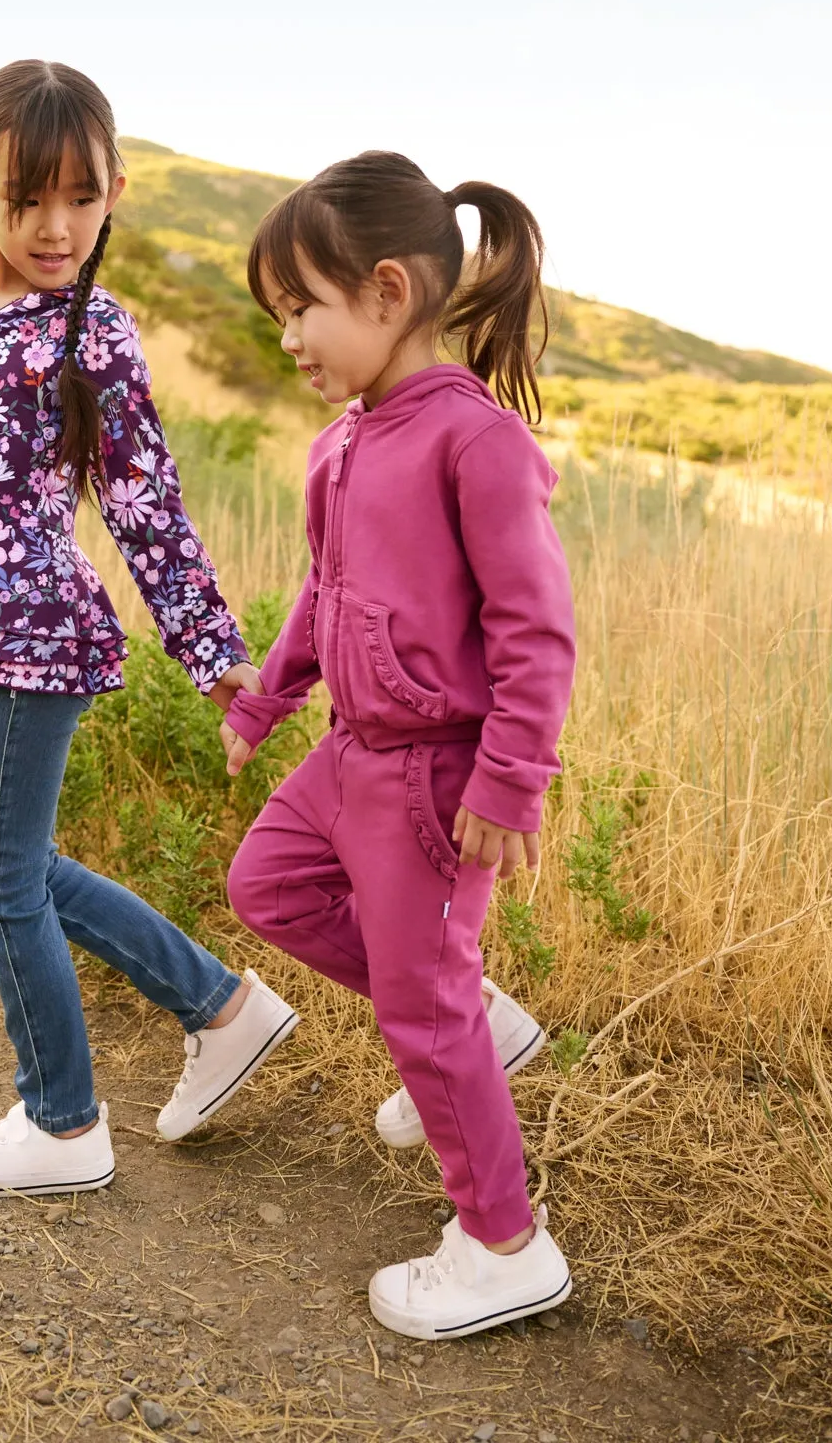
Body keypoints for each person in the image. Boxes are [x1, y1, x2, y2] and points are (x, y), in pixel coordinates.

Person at [0, 60, 299, 1199]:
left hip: (38, 639)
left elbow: (146, 507)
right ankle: (221, 1008)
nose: (54, 226)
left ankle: (63, 1122)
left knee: (0, 877)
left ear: (115, 192)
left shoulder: (100, 338)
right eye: (25, 199)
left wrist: (212, 649)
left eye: (80, 199)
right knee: (16, 862)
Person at [220, 151, 575, 1338]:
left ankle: (500, 1243)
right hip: (349, 753)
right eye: (277, 320)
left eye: (299, 311)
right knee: (263, 881)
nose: (289, 342)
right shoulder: (339, 445)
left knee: (419, 1011)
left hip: (434, 771)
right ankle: (472, 1021)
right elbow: (321, 596)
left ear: (384, 291)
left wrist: (511, 779)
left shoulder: (473, 444)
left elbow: (535, 627)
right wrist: (264, 701)